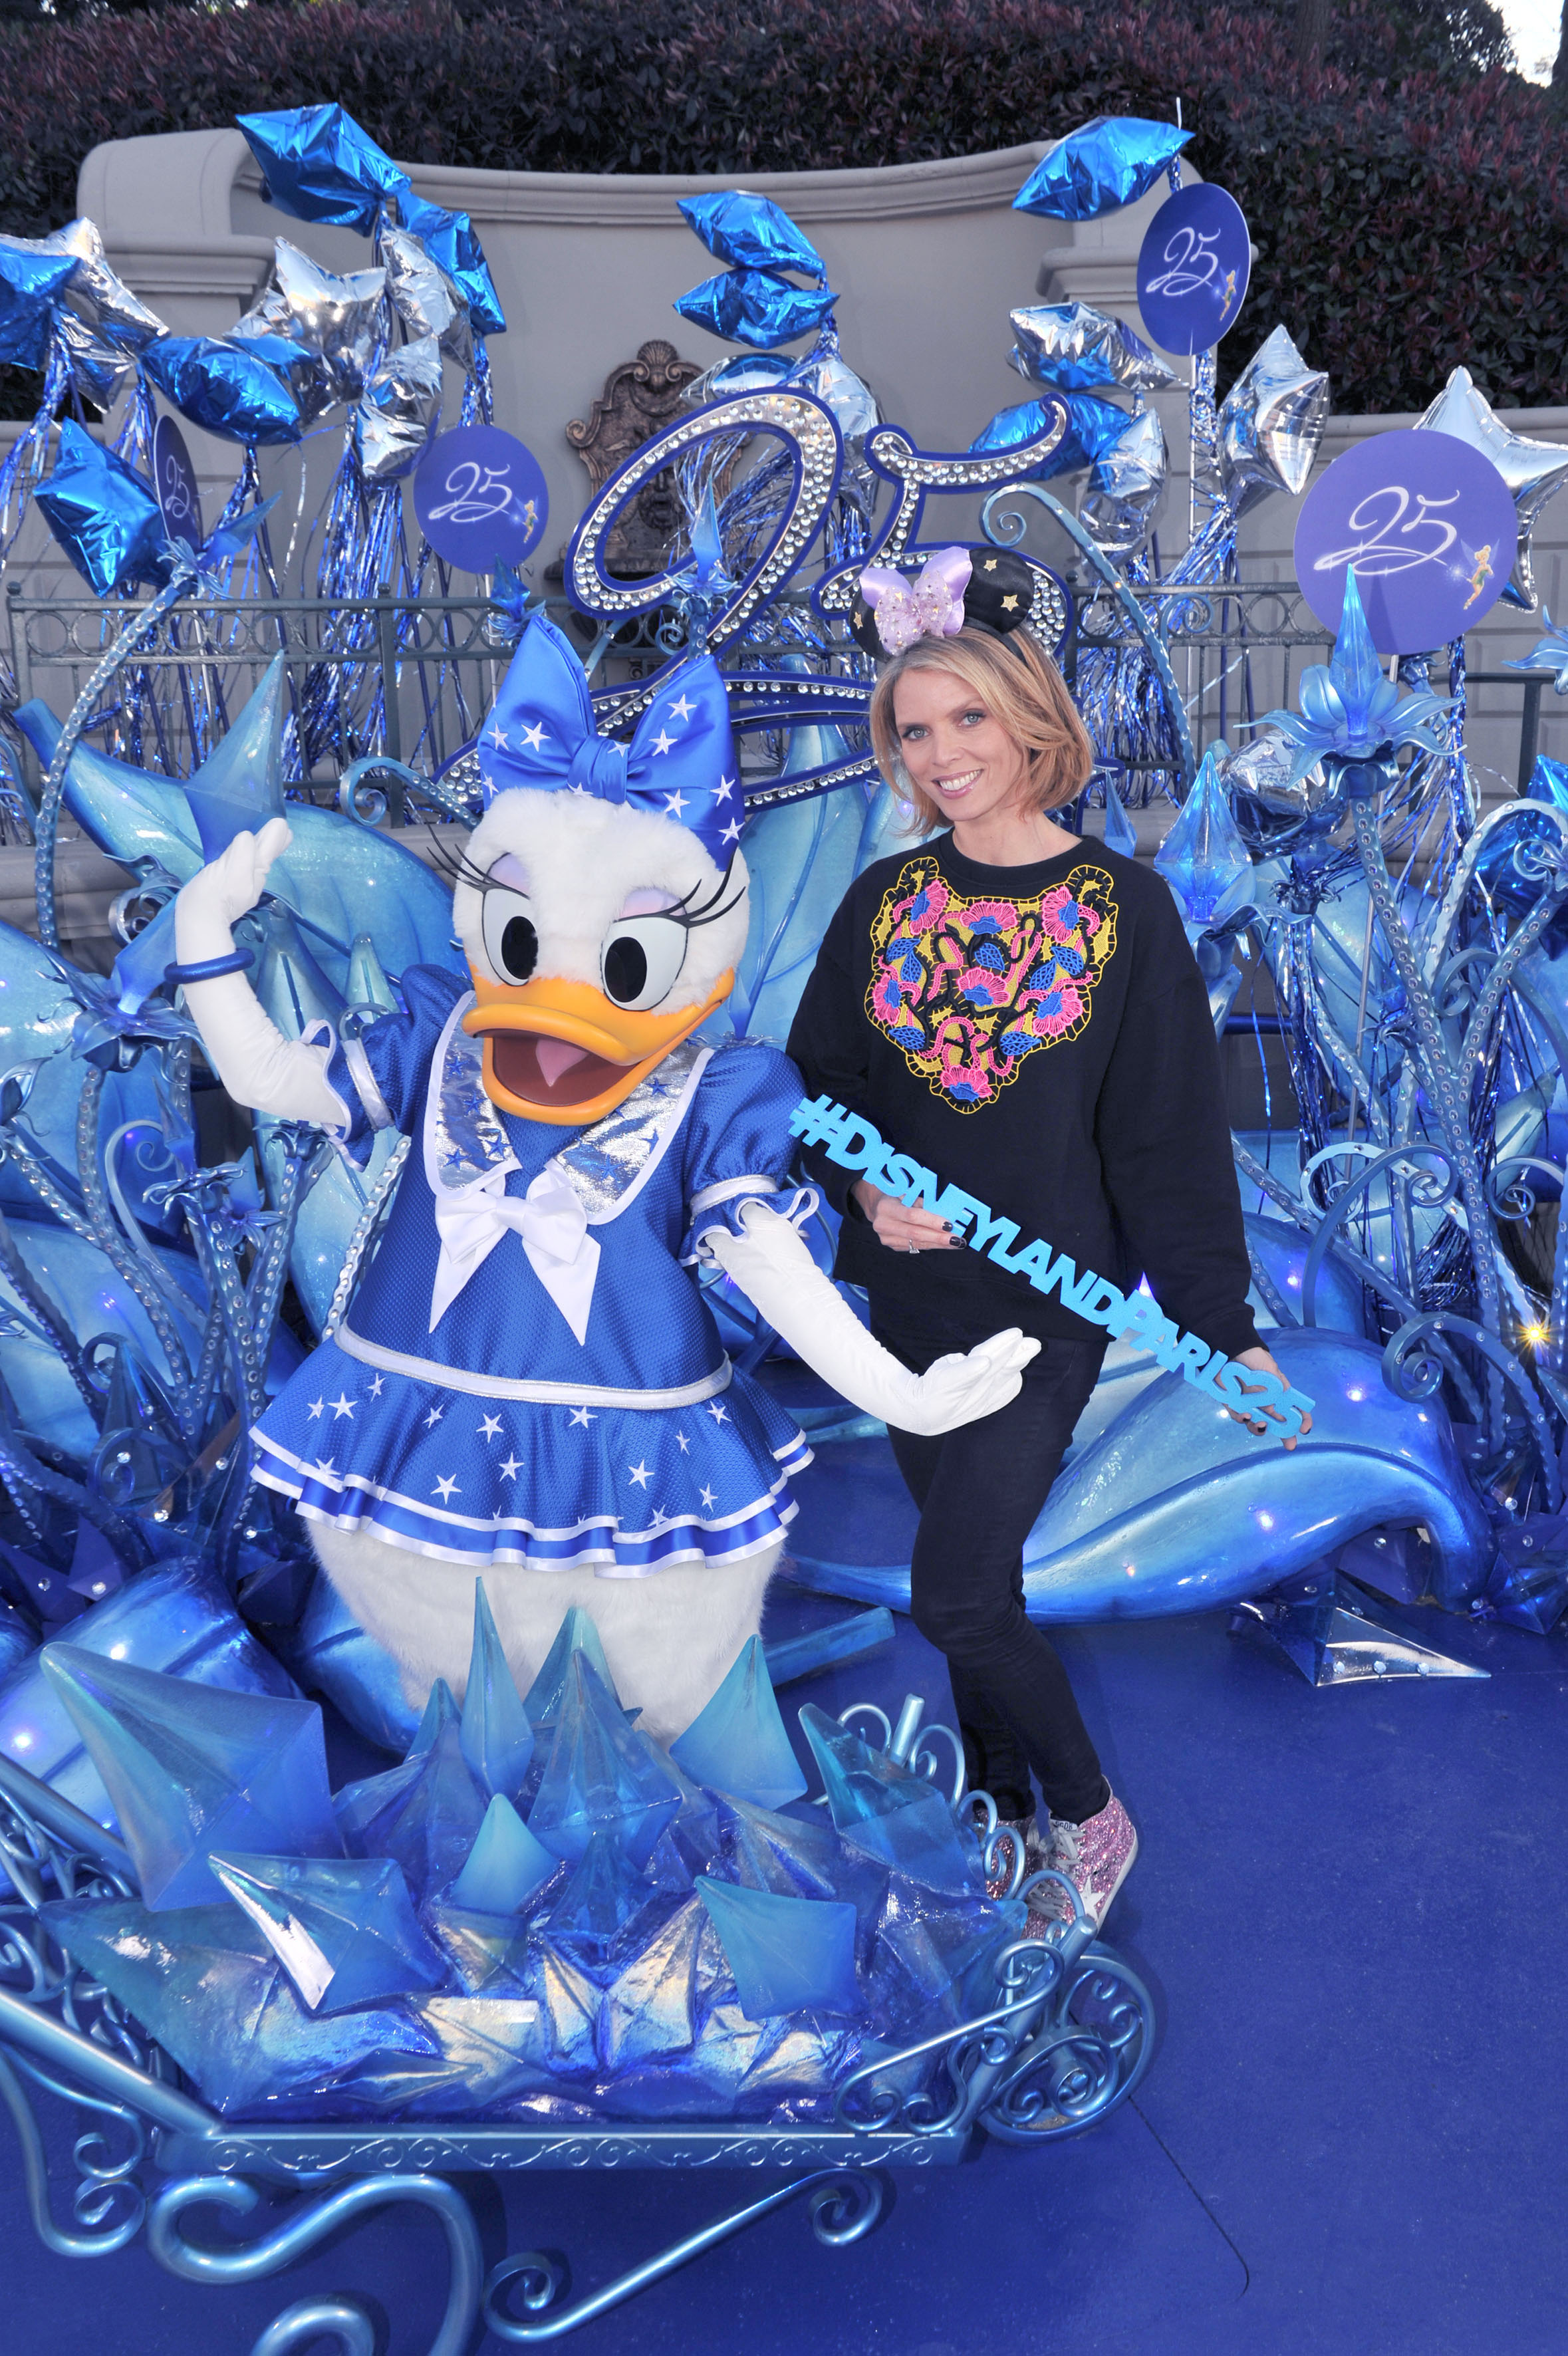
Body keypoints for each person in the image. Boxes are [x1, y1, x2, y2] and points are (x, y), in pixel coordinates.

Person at [787, 546, 1305, 1928]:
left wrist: (1219, 1327)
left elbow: (1166, 1144)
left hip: (1045, 1313)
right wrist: (860, 1193)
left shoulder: (1126, 911)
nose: (942, 753)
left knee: (955, 1594)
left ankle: (1089, 1817)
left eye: (967, 716)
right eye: (913, 729)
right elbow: (815, 1089)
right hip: (905, 1309)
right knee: (982, 1579)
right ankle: (998, 1814)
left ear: (1030, 717)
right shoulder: (881, 903)